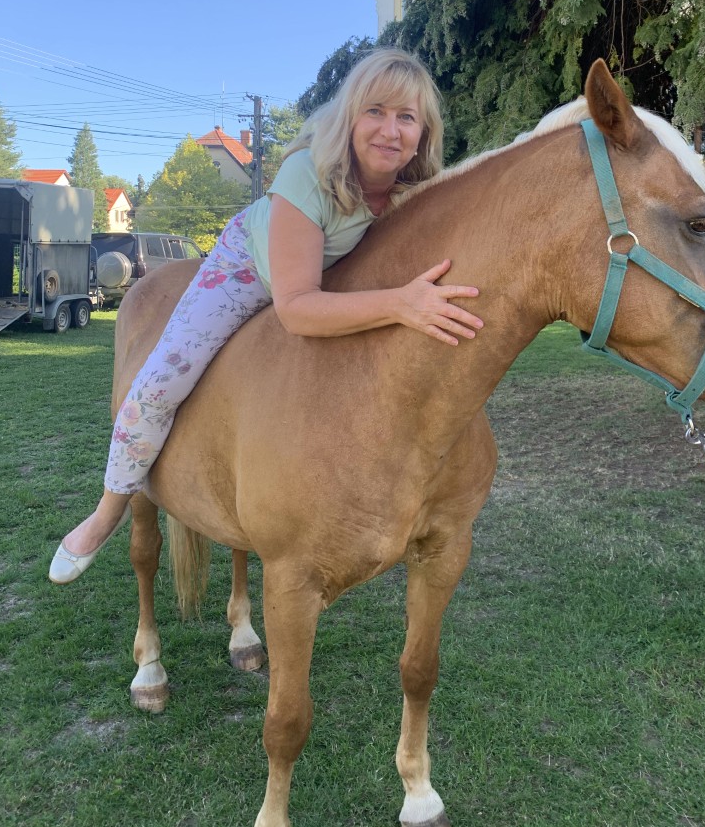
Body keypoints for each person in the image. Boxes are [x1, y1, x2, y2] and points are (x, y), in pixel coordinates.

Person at [49, 49, 483, 584]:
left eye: (407, 117)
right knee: (161, 380)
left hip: (327, 277)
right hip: (247, 268)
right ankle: (108, 509)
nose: (390, 130)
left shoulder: (413, 195)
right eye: (375, 111)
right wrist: (399, 303)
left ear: (423, 135)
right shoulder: (310, 173)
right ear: (349, 117)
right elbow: (297, 308)